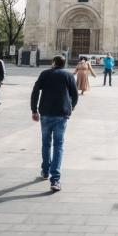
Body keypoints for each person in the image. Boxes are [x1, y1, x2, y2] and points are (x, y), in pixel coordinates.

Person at [30, 54, 78, 192]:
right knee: (58, 145)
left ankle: (45, 171)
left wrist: (34, 110)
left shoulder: (44, 74)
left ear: (53, 63)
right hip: (61, 114)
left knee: (46, 143)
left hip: (45, 113)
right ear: (64, 64)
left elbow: (35, 92)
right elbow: (74, 94)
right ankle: (55, 179)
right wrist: (72, 105)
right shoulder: (69, 76)